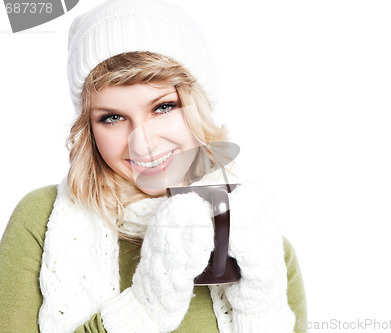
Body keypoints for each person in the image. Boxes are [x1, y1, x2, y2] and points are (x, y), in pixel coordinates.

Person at [0, 0, 307, 332]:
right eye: (112, 118)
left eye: (163, 107)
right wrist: (145, 306)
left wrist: (260, 308)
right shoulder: (41, 220)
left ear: (196, 105)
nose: (143, 143)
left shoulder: (261, 243)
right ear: (89, 128)